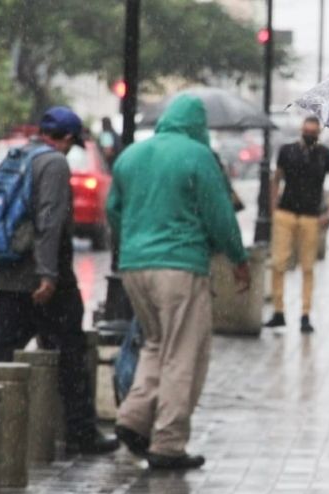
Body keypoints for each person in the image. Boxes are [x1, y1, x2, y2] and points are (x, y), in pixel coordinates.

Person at [0, 106, 119, 455]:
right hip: (44, 279)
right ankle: (80, 433)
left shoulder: (19, 155)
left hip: (9, 274)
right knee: (70, 352)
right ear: (66, 138)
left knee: (2, 345)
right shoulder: (54, 164)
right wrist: (47, 275)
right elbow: (50, 221)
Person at [107, 95, 250, 470]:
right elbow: (219, 214)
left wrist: (133, 243)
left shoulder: (131, 156)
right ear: (197, 125)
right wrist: (238, 258)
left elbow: (112, 210)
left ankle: (133, 417)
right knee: (183, 353)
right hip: (180, 266)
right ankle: (168, 443)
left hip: (135, 267)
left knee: (155, 343)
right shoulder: (197, 156)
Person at [264, 116, 329, 333]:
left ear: (318, 133)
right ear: (301, 130)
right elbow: (276, 179)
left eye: (313, 132)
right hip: (286, 212)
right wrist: (273, 208)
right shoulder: (287, 151)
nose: (309, 135)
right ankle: (278, 311)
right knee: (278, 263)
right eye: (307, 131)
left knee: (307, 267)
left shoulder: (326, 155)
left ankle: (305, 314)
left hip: (311, 216)